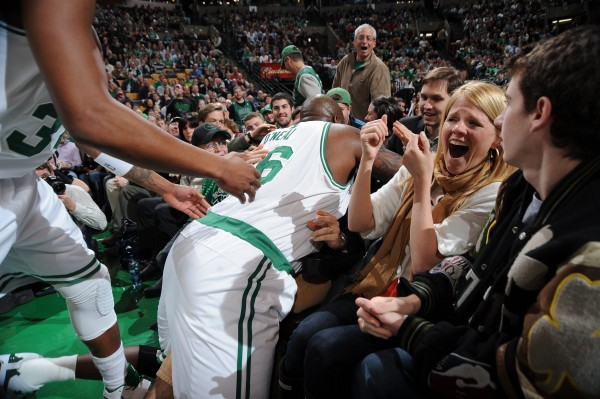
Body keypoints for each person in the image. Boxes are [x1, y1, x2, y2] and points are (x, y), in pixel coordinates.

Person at [314, 25, 600, 399]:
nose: (500, 121)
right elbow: (468, 266)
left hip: (461, 347)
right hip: (438, 316)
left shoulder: (586, 243)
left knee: (366, 368)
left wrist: (410, 326)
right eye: (453, 118)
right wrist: (412, 300)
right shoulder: (520, 190)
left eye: (508, 105)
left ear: (539, 114)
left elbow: (523, 376)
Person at [0, 2, 259, 397]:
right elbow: (90, 117)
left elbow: (86, 133)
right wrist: (217, 166)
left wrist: (167, 187)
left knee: (90, 285)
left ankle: (116, 388)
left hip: (19, 178)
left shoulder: (78, 30)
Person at [157, 95, 402, 399]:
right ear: (338, 120)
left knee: (172, 379)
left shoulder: (271, 136)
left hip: (195, 240)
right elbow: (409, 173)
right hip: (239, 265)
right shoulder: (343, 135)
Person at [281, 81, 515, 398]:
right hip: (379, 284)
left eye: (473, 123)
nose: (458, 130)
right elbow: (362, 222)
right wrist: (366, 159)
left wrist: (421, 182)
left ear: (496, 138)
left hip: (423, 308)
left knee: (326, 347)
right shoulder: (425, 164)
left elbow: (424, 262)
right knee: (305, 333)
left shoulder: (491, 193)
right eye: (453, 119)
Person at [387, 66, 463, 155]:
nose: (427, 106)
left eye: (436, 99)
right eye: (424, 97)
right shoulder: (405, 126)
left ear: (455, 101)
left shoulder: (461, 139)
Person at [332, 23, 391, 122]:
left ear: (374, 43)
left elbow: (381, 107)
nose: (364, 42)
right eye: (361, 38)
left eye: (368, 38)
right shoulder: (345, 61)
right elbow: (335, 92)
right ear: (354, 42)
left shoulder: (379, 68)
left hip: (363, 128)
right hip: (342, 125)